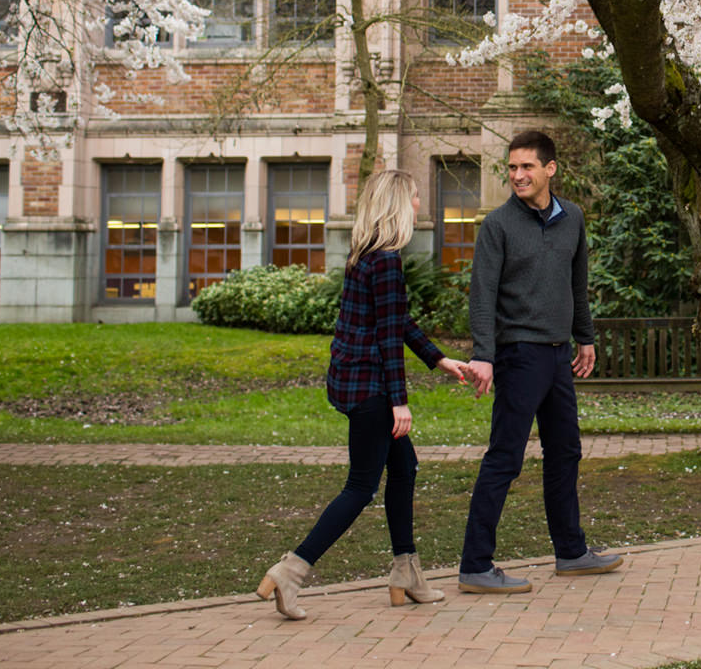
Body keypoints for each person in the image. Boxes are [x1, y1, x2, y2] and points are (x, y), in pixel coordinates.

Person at [256, 168, 469, 620]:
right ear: (397, 203)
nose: (418, 203)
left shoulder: (366, 255)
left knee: (404, 467)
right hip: (372, 389)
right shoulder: (386, 261)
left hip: (356, 382)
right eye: (414, 196)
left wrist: (438, 359)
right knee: (360, 486)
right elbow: (389, 338)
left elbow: (397, 320)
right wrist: (399, 401)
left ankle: (406, 572)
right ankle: (291, 570)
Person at [456, 130, 624, 592]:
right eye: (512, 167)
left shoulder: (573, 218)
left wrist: (585, 338)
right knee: (505, 457)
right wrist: (484, 355)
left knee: (565, 451)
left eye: (526, 166)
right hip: (518, 355)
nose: (517, 175)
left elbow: (577, 284)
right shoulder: (498, 226)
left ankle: (571, 552)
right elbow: (482, 296)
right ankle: (475, 564)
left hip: (557, 354)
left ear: (550, 169)